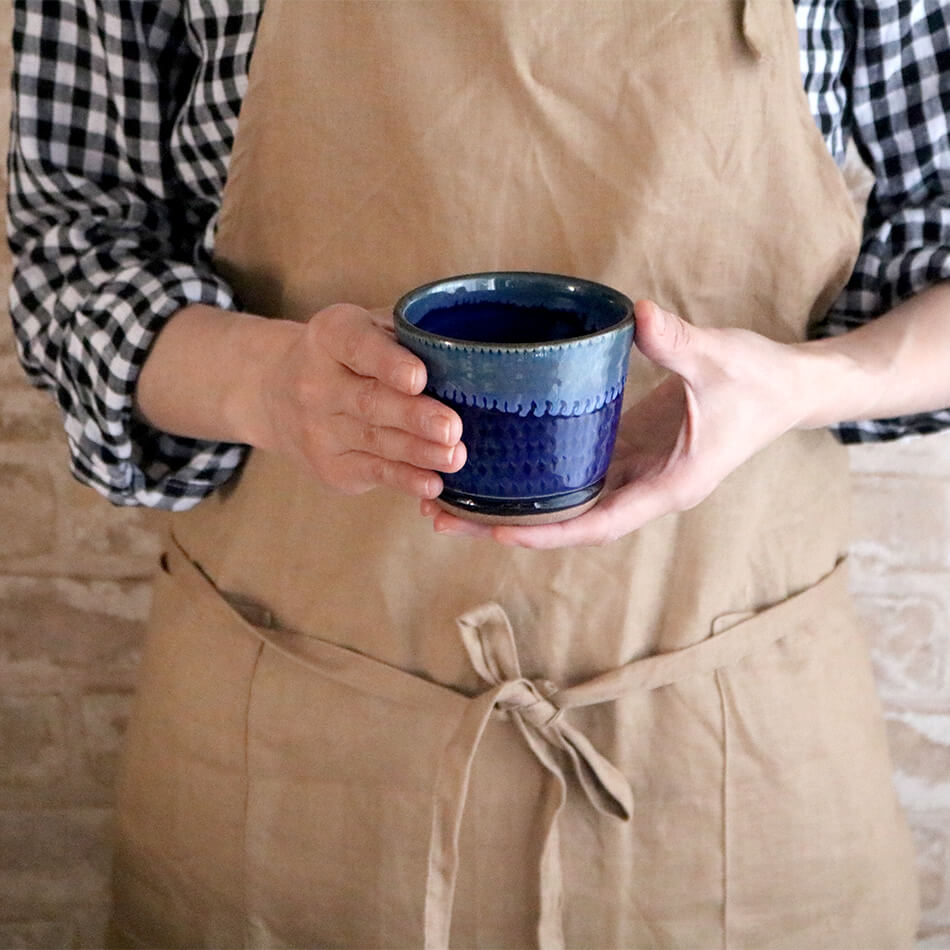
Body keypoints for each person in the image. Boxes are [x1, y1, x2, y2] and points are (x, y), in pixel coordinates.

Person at [7, 0, 950, 947]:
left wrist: (806, 383)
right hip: (284, 784)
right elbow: (74, 253)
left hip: (734, 787)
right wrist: (270, 385)